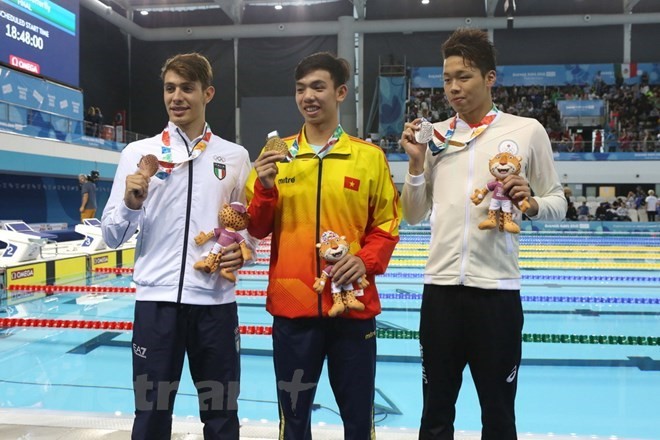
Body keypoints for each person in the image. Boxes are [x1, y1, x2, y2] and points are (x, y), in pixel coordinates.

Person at [399, 29, 567, 439]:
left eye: (464, 76)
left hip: (496, 294)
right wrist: (417, 164)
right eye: (446, 78)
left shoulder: (526, 130)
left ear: (490, 78)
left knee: (498, 412)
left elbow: (558, 202)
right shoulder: (435, 137)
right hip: (439, 291)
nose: (453, 87)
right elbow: (413, 215)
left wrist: (532, 204)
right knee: (435, 411)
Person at [245, 52, 401, 439]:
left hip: (352, 312)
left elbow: (386, 225)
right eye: (300, 89)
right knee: (294, 421)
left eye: (318, 87)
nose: (308, 96)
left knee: (358, 421)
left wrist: (364, 261)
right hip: (292, 309)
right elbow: (257, 228)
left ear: (341, 92)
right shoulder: (275, 157)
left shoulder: (368, 158)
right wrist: (264, 189)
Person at [101, 52, 255, 440]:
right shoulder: (138, 155)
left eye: (187, 88)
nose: (177, 96)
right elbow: (110, 235)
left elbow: (249, 226)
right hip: (156, 306)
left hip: (215, 308)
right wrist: (131, 205)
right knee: (150, 417)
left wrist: (244, 249)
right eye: (170, 88)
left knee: (222, 416)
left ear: (208, 93)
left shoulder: (234, 157)